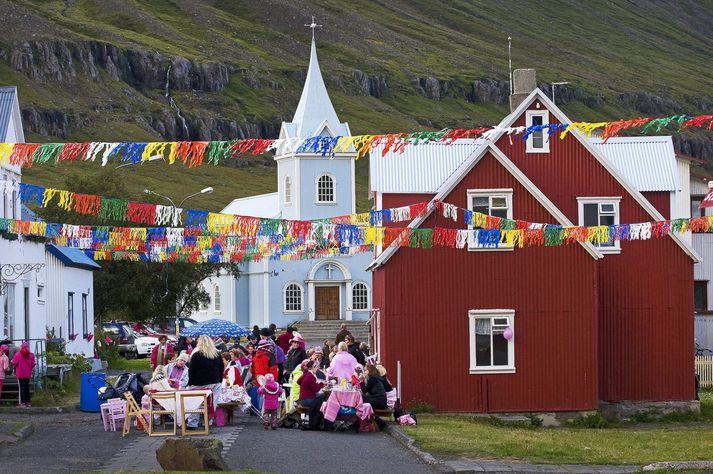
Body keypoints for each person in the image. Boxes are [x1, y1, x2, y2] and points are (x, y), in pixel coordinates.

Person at [186, 335, 224, 429]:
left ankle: (192, 424)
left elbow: (191, 370)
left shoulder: (196, 355)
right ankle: (208, 422)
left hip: (198, 383)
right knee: (211, 404)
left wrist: (190, 383)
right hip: (214, 382)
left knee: (194, 403)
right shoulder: (217, 354)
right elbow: (221, 369)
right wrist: (219, 380)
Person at [297, 360, 326, 430]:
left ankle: (315, 422)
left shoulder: (307, 374)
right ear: (313, 367)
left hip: (303, 398)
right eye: (316, 367)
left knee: (321, 398)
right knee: (321, 399)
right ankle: (315, 422)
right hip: (306, 399)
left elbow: (312, 387)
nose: (317, 369)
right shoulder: (310, 376)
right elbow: (315, 389)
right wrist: (322, 384)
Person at [12, 341, 35, 407]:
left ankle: (22, 403)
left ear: (21, 347)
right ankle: (28, 403)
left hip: (20, 374)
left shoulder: (18, 354)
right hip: (27, 374)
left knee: (21, 388)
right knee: (26, 388)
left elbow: (14, 362)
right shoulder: (31, 355)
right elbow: (33, 364)